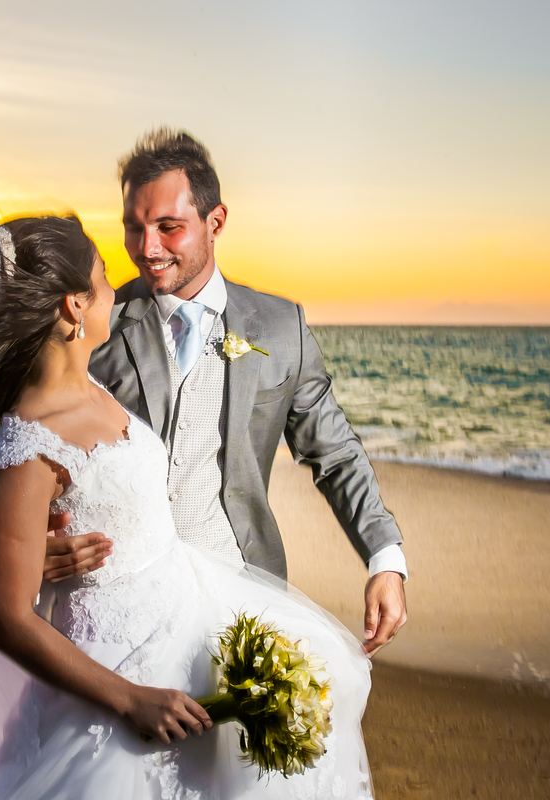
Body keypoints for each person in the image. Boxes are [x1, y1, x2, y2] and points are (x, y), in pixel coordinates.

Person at [0, 215, 374, 800]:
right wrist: (130, 698)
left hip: (187, 620)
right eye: (101, 277)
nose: (115, 287)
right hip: (115, 674)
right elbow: (3, 617)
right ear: (74, 308)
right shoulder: (29, 444)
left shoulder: (91, 385)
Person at [45, 130, 408, 656]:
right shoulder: (95, 328)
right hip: (121, 604)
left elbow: (334, 452)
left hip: (241, 598)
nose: (147, 249)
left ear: (215, 222)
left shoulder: (282, 328)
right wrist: (32, 543)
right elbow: (33, 442)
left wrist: (385, 557)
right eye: (134, 228)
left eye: (169, 227)